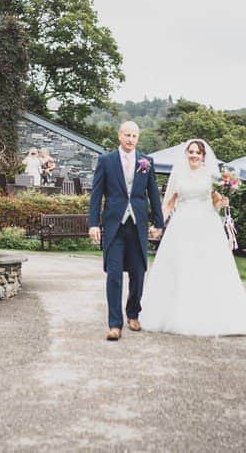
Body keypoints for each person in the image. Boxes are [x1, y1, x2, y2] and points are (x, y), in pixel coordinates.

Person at [140, 139, 246, 336]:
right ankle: (176, 315)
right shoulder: (178, 175)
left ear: (203, 156)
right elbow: (169, 203)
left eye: (198, 152)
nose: (194, 155)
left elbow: (216, 202)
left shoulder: (211, 176)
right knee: (181, 267)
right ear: (187, 154)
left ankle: (211, 316)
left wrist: (224, 200)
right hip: (182, 226)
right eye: (191, 152)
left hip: (206, 225)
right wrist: (158, 224)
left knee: (206, 268)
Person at [87, 121, 165, 341]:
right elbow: (96, 195)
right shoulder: (106, 161)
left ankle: (133, 314)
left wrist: (158, 223)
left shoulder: (146, 162)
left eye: (135, 136)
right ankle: (114, 324)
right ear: (119, 135)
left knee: (138, 273)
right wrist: (93, 223)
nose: (131, 139)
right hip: (114, 226)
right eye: (127, 135)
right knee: (114, 275)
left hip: (138, 225)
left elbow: (154, 195)